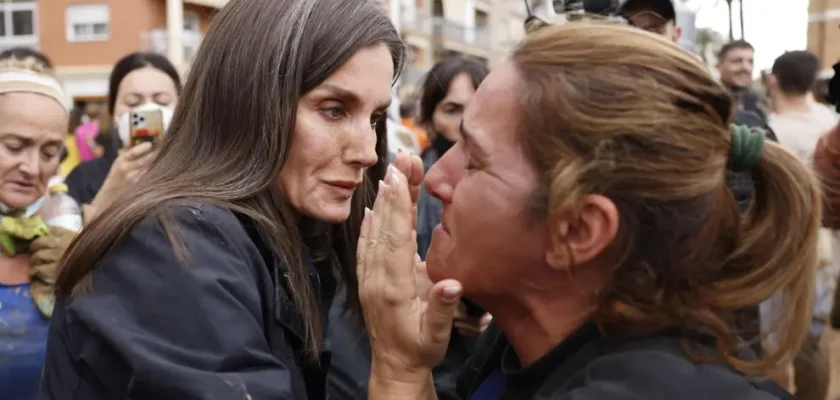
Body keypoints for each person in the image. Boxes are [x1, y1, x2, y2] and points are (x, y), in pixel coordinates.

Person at [359, 22, 817, 400]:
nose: (438, 179)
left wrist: (397, 372)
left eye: (476, 161)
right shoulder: (525, 341)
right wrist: (406, 361)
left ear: (578, 230)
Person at [40, 0, 404, 398]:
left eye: (374, 118)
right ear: (248, 101)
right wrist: (400, 373)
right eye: (334, 110)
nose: (368, 151)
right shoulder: (171, 247)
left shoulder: (264, 235)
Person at [0, 54, 79, 400]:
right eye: (14, 147)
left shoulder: (67, 231)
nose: (32, 168)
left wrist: (84, 280)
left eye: (49, 153)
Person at [64, 52, 181, 221]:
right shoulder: (84, 176)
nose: (147, 110)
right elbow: (67, 242)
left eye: (161, 102)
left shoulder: (203, 173)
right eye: (133, 103)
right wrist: (111, 191)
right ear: (114, 114)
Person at [416, 56, 489, 260]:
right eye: (452, 110)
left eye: (478, 107)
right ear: (430, 118)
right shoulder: (410, 185)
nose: (467, 122)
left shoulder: (513, 184)